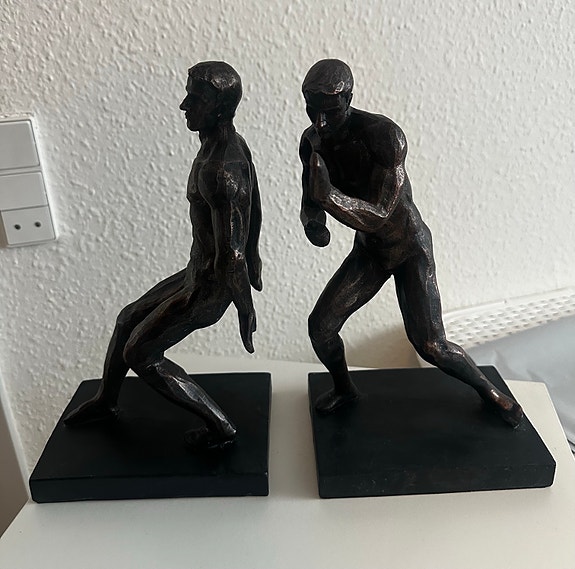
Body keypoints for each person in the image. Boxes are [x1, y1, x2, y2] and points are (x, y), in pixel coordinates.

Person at [299, 59, 522, 427]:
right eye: (312, 110)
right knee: (320, 327)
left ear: (349, 100)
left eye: (330, 112)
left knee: (431, 345)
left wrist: (330, 200)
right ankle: (344, 389)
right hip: (370, 252)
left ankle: (489, 391)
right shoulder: (312, 142)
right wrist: (313, 222)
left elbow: (380, 214)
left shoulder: (384, 136)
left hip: (408, 248)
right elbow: (310, 198)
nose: (320, 122)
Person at [64, 61, 263, 448]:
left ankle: (221, 427)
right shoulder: (223, 146)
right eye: (188, 94)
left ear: (220, 108)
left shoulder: (220, 169)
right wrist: (254, 254)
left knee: (141, 354)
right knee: (127, 319)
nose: (184, 105)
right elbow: (256, 203)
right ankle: (106, 401)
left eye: (196, 99)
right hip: (197, 272)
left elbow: (232, 254)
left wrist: (243, 305)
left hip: (210, 287)